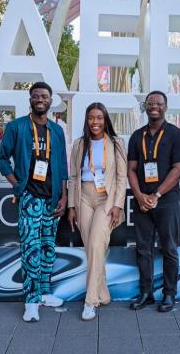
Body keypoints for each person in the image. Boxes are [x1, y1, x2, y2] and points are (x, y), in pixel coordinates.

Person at [0, 82, 68, 323]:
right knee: (31, 250)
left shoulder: (56, 131)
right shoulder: (17, 127)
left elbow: (63, 167)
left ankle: (46, 293)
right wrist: (17, 185)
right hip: (30, 198)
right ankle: (31, 300)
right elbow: (2, 160)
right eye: (36, 96)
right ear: (30, 100)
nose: (40, 99)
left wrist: (64, 196)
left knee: (48, 248)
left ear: (50, 101)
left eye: (44, 96)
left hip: (52, 199)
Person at [127, 90, 180, 313]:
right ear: (145, 106)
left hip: (166, 201)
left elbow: (179, 169)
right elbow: (131, 169)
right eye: (150, 103)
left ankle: (170, 294)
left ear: (166, 107)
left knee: (169, 248)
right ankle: (146, 293)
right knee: (143, 249)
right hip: (142, 202)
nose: (154, 106)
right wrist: (140, 195)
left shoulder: (176, 135)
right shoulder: (137, 136)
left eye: (159, 103)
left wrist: (157, 195)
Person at [67, 103, 127, 321]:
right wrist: (71, 207)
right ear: (87, 120)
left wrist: (118, 205)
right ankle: (103, 293)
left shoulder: (116, 143)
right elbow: (73, 177)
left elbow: (122, 178)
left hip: (106, 198)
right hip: (83, 197)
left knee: (94, 245)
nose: (95, 122)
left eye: (99, 118)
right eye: (91, 118)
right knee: (94, 250)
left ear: (105, 119)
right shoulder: (79, 144)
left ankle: (90, 301)